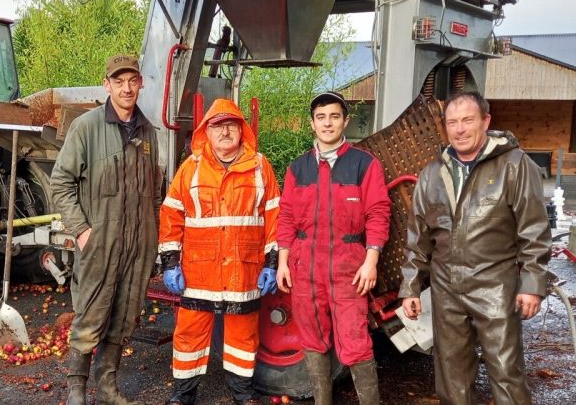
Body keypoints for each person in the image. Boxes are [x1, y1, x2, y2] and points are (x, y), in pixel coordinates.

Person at [399, 91, 551, 405]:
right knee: (450, 371)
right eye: (452, 122)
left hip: (495, 282)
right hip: (445, 286)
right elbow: (418, 239)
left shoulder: (514, 165)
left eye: (468, 120)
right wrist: (410, 287)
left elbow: (534, 229)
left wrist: (533, 284)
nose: (460, 129)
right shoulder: (431, 175)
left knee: (506, 369)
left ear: (486, 121)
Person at [51, 54, 161, 405]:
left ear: (141, 83)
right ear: (107, 84)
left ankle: (108, 386)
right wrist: (83, 231)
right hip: (101, 243)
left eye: (133, 81)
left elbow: (156, 192)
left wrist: (154, 237)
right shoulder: (86, 127)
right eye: (119, 81)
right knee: (91, 313)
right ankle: (76, 387)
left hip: (139, 245)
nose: (127, 88)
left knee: (126, 314)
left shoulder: (149, 133)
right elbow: (61, 183)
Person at [159, 98, 280, 405]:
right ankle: (182, 396)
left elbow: (275, 217)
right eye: (218, 126)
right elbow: (172, 214)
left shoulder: (260, 167)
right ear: (206, 132)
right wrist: (171, 261)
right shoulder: (191, 169)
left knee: (243, 337)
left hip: (245, 271)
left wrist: (273, 261)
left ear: (242, 131)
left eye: (231, 125)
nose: (225, 131)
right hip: (200, 272)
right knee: (189, 335)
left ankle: (242, 395)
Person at [275, 91, 391, 405]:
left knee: (355, 342)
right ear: (312, 124)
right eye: (321, 117)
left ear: (345, 121)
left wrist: (371, 261)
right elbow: (286, 216)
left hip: (348, 267)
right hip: (306, 267)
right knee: (313, 339)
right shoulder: (297, 168)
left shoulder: (364, 164)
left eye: (335, 116)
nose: (328, 123)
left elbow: (378, 212)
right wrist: (283, 261)